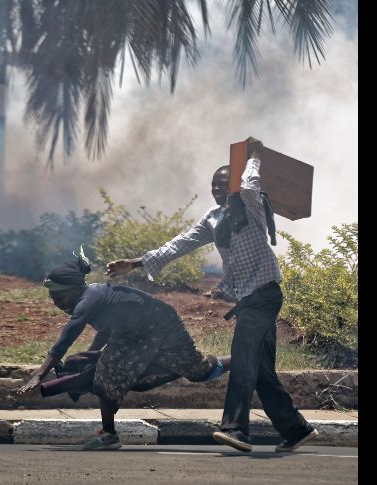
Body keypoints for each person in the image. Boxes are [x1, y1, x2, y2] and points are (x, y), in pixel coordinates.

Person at [106, 138, 318, 452]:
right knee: (260, 370)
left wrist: (255, 155)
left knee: (244, 361)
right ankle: (295, 429)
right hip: (248, 300)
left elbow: (250, 181)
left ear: (232, 184)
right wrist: (135, 263)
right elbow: (181, 243)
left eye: (222, 184)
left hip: (265, 295)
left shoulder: (250, 202)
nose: (216, 190)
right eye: (213, 186)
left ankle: (235, 429)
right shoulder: (214, 218)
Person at [17, 246, 230, 450]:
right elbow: (106, 329)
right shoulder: (90, 298)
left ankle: (243, 357)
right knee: (105, 372)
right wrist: (91, 355)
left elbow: (66, 338)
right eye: (52, 298)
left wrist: (39, 374)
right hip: (133, 336)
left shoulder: (87, 301)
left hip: (163, 326)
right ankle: (108, 435)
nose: (56, 302)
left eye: (58, 296)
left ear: (72, 290)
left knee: (200, 371)